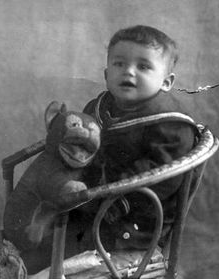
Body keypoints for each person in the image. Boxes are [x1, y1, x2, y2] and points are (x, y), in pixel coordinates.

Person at [82, 25, 200, 251]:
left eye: (143, 66)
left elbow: (163, 175)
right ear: (106, 74)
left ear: (166, 82)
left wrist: (116, 200)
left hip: (137, 215)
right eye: (119, 64)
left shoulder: (169, 122)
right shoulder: (98, 107)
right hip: (93, 199)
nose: (129, 71)